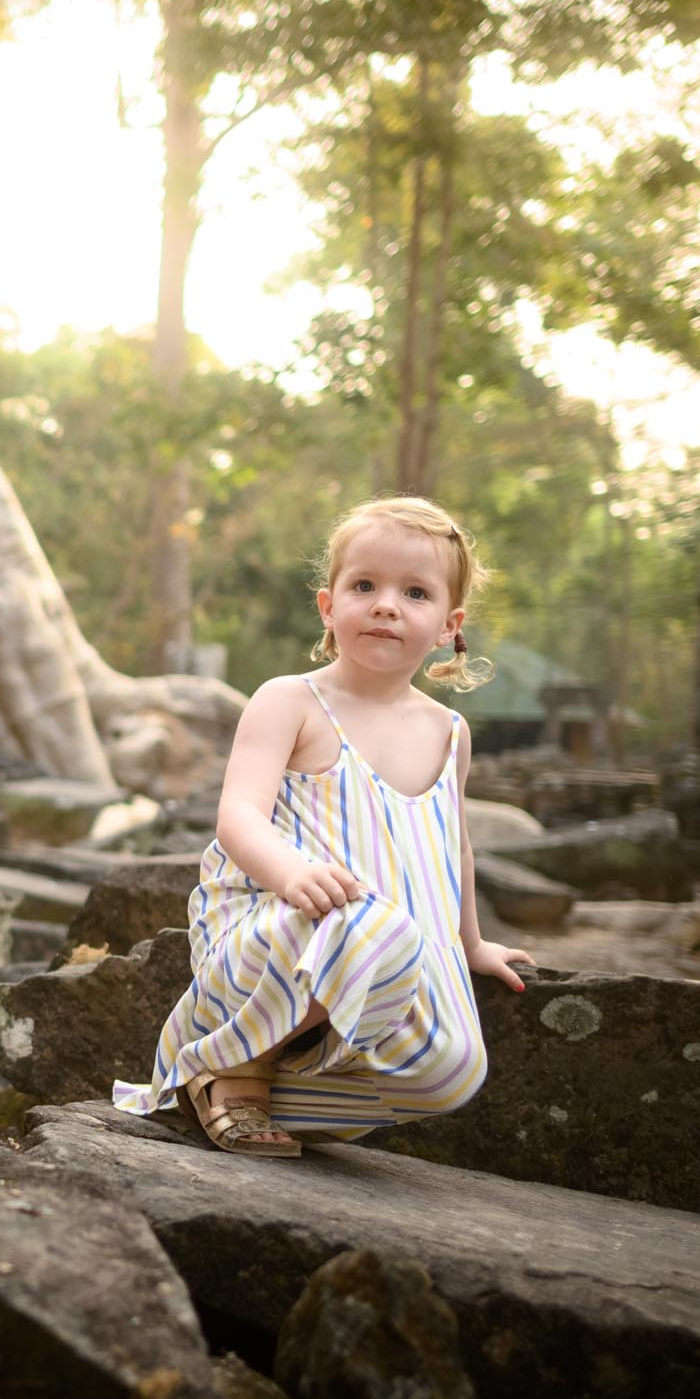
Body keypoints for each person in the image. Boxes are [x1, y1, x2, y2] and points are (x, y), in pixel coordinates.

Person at [114, 495, 532, 1156]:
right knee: (382, 931)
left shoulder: (449, 733)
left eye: (414, 591)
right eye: (364, 584)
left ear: (451, 624)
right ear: (328, 606)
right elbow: (237, 815)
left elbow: (454, 848)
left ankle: (252, 1080)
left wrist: (472, 943)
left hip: (384, 956)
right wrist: (293, 869)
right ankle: (233, 1058)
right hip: (277, 935)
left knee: (458, 1067)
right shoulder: (291, 701)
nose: (386, 603)